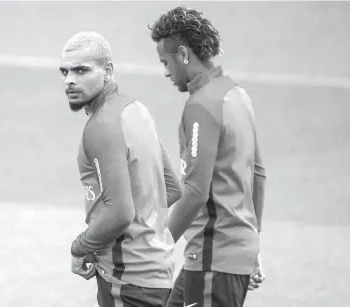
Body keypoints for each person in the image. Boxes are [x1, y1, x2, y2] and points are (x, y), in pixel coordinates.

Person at [148, 6, 267, 307]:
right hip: (219, 257)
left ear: (184, 55)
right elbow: (258, 174)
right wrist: (252, 246)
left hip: (212, 261)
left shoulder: (201, 105)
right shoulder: (237, 95)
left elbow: (196, 192)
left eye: (166, 61)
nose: (165, 71)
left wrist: (159, 247)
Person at [59, 31, 182, 307]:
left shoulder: (101, 127)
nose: (69, 80)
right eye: (65, 71)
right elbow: (171, 188)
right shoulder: (136, 110)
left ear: (108, 71)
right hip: (157, 275)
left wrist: (82, 247)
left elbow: (120, 212)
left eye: (81, 70)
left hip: (126, 282)